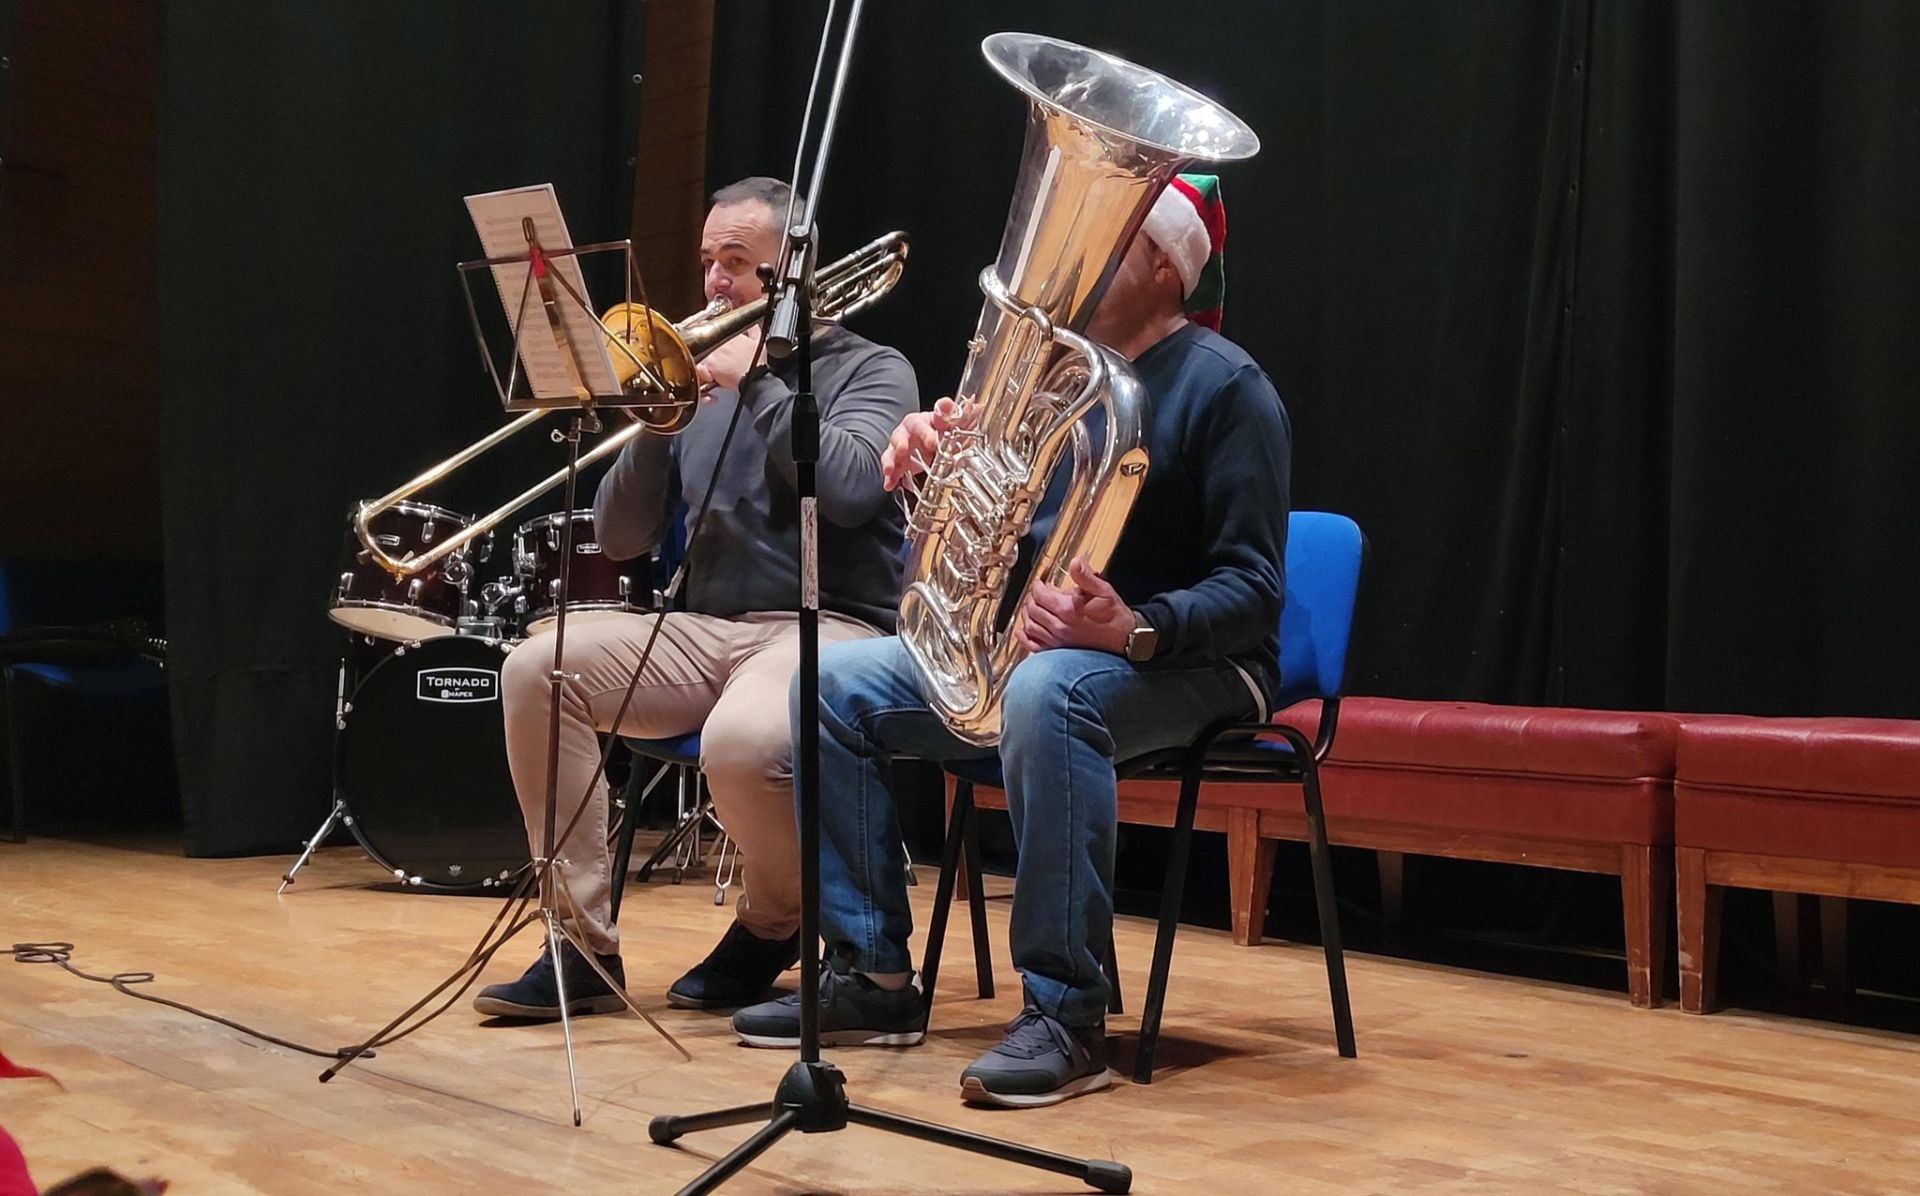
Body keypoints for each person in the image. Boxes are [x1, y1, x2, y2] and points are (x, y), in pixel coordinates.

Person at [732, 175, 1293, 1107]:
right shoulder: (1052, 376)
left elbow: (1255, 589)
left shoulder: (1229, 389)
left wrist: (1136, 626)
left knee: (1050, 693)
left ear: (1163, 262)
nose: (1072, 262)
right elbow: (995, 548)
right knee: (828, 684)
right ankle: (871, 975)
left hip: (1195, 662)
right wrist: (935, 475)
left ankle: (1066, 1014)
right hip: (1053, 655)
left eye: (1106, 240)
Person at [473, 177, 920, 1020]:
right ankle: (580, 946)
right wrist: (657, 420)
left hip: (832, 626)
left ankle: (774, 922)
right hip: (705, 628)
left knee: (744, 740)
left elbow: (855, 487)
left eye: (737, 263)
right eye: (709, 260)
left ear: (792, 271)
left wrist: (758, 384)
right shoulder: (698, 381)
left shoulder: (870, 367)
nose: (714, 282)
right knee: (537, 666)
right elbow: (621, 535)